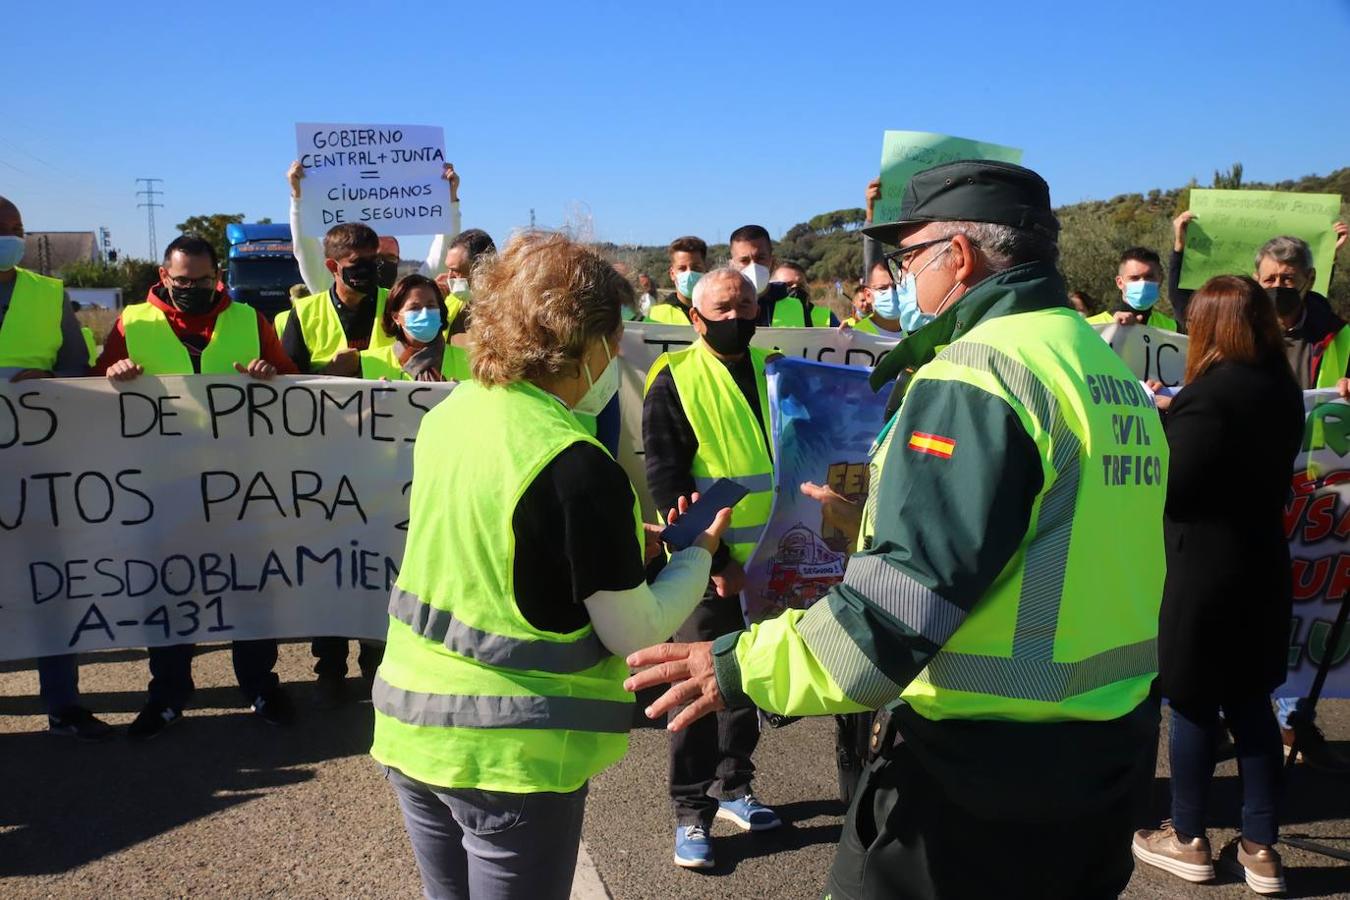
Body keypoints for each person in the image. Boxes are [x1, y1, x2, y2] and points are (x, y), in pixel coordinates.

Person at [626, 161, 1169, 899]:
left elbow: (888, 619)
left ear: (963, 256)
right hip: (1112, 749)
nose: (902, 276)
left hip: (981, 775)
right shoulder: (1098, 368)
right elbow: (1045, 537)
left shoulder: (976, 376)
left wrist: (733, 667)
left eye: (909, 258)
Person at [370, 232, 727, 900]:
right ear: (585, 345)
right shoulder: (577, 463)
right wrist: (698, 552)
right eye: (615, 339)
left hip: (409, 727)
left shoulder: (453, 413)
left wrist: (611, 546)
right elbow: (638, 632)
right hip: (510, 757)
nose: (619, 354)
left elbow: (497, 543)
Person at [1131, 275, 1303, 895]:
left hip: (1203, 570)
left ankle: (1187, 836)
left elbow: (1176, 488)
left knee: (1196, 702)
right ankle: (1260, 848)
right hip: (1263, 563)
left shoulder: (1207, 395)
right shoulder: (1280, 389)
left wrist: (1164, 423)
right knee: (1252, 701)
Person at [96, 234, 298, 739]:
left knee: (250, 590)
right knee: (169, 592)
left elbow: (296, 389)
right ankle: (166, 694)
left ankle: (258, 685)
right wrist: (112, 373)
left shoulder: (250, 322)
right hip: (163, 489)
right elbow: (94, 392)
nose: (192, 288)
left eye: (203, 281)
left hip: (242, 487)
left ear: (218, 279)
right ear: (164, 278)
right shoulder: (131, 323)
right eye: (182, 281)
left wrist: (270, 374)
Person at [642, 267, 783, 869]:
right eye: (723, 308)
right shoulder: (674, 379)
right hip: (707, 567)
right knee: (698, 689)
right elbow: (666, 482)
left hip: (779, 561)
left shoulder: (779, 371)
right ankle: (691, 811)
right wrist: (717, 559)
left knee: (746, 680)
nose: (737, 317)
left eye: (747, 305)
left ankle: (736, 787)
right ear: (695, 317)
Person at [0, 195, 113, 741]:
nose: (13, 238)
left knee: (51, 588)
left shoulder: (47, 293)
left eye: (18, 228)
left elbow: (75, 371)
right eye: (4, 230)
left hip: (36, 469)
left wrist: (45, 386)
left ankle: (63, 704)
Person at [287, 160, 462, 295]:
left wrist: (448, 202)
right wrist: (298, 199)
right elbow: (306, 250)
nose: (381, 264)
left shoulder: (405, 300)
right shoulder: (329, 289)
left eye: (390, 257)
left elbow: (441, 257)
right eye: (375, 256)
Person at [1168, 211, 1346, 331]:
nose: (1278, 286)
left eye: (1288, 279)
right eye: (1269, 280)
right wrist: (1180, 249)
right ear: (1257, 280)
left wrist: (1328, 254)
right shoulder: (1238, 328)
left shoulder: (1332, 333)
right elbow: (1186, 309)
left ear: (1309, 279)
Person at [359, 274, 471, 382]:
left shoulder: (470, 361)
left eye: (431, 306)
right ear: (396, 317)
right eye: (414, 308)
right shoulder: (366, 362)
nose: (425, 313)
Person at [731, 225, 829, 327]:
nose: (754, 266)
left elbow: (817, 338)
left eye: (760, 258)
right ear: (732, 265)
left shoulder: (797, 306)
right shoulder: (719, 308)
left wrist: (845, 329)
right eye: (744, 260)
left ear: (772, 261)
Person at [1086, 246, 1179, 331]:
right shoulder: (1090, 327)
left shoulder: (1173, 328)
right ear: (1120, 282)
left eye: (1149, 277)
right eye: (1134, 278)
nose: (1142, 283)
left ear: (1160, 279)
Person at [647, 235, 707, 325]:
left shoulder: (719, 311)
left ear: (705, 270)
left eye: (696, 268)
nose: (689, 273)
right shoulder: (657, 314)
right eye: (682, 268)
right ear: (672, 274)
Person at [842, 260, 903, 336]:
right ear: (868, 295)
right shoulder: (855, 331)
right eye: (882, 288)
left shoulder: (908, 330)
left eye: (895, 287)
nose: (891, 293)